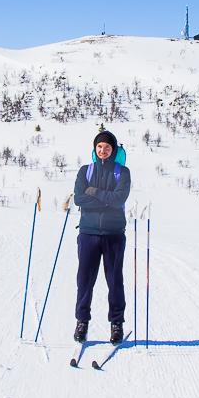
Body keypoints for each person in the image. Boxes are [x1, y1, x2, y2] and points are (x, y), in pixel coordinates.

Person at [72, 130, 131, 344]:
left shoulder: (122, 172)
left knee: (115, 281)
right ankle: (82, 321)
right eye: (99, 147)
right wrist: (106, 199)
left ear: (113, 150)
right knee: (84, 280)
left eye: (107, 147)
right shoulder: (85, 171)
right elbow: (79, 198)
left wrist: (94, 193)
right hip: (88, 233)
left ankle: (117, 324)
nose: (103, 150)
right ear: (94, 150)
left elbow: (119, 199)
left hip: (114, 234)